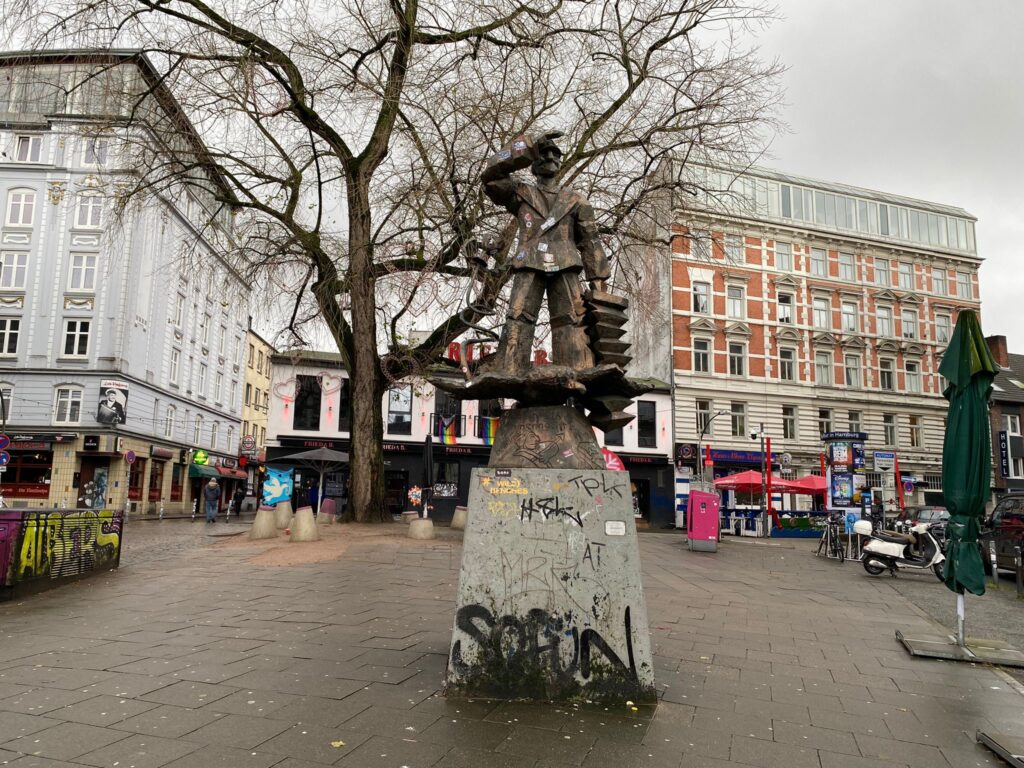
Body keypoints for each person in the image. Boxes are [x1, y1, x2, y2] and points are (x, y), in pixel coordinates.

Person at [480, 130, 611, 374]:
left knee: (573, 320)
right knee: (518, 317)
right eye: (543, 152)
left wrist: (598, 280)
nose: (549, 156)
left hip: (566, 264)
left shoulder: (576, 200)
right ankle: (510, 371)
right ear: (532, 163)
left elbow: (591, 241)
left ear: (561, 162)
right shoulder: (520, 193)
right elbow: (490, 175)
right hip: (529, 262)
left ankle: (579, 372)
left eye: (555, 153)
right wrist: (529, 143)